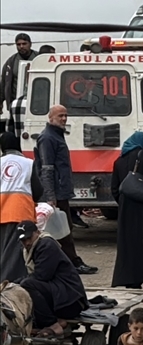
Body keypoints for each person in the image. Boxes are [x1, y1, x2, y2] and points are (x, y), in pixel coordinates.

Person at [36, 105, 95, 274]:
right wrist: (50, 195)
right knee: (63, 229)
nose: (64, 119)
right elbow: (46, 168)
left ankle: (67, 262)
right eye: (60, 116)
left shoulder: (56, 135)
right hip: (56, 193)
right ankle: (72, 263)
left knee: (64, 228)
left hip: (60, 191)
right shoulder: (48, 138)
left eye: (65, 115)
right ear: (51, 117)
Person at [18, 219, 87, 338]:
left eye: (29, 238)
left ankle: (52, 324)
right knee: (21, 285)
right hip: (57, 296)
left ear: (37, 233)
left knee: (27, 284)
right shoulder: (28, 250)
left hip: (71, 301)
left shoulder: (46, 245)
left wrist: (18, 283)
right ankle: (44, 322)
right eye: (24, 240)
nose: (27, 242)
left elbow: (42, 276)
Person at [110, 132, 143, 289]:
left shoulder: (119, 160)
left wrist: (123, 202)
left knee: (128, 244)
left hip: (125, 209)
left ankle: (131, 280)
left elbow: (114, 188)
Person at [0, 132, 41, 283]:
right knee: (15, 255)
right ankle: (9, 286)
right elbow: (38, 190)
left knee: (3, 251)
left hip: (1, 213)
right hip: (20, 212)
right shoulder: (28, 163)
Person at [1, 33, 36, 116]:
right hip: (16, 103)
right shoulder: (11, 62)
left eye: (24, 44)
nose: (21, 46)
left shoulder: (39, 58)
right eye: (18, 44)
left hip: (37, 102)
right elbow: (3, 83)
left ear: (30, 44)